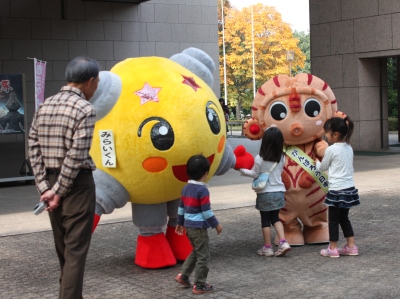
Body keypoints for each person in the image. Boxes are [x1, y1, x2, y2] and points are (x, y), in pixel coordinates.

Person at [28, 56, 100, 299]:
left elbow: (33, 147)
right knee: (75, 253)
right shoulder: (85, 109)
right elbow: (76, 155)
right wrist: (59, 191)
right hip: (76, 186)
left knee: (65, 252)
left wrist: (44, 186)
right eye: (97, 82)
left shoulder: (44, 105)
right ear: (90, 81)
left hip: (49, 182)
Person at [174, 154, 223, 295]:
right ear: (206, 173)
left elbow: (181, 208)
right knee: (204, 256)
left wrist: (179, 222)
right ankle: (200, 285)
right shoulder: (202, 190)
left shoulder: (186, 188)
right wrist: (216, 225)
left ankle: (183, 275)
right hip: (199, 228)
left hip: (188, 227)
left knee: (196, 251)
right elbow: (206, 211)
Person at [239, 127, 291, 257]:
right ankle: (283, 242)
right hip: (279, 191)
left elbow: (254, 173)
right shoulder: (281, 157)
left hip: (265, 193)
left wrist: (241, 170)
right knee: (276, 218)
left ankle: (267, 248)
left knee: (265, 220)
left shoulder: (260, 158)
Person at [316, 116, 360, 258]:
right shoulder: (349, 147)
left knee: (333, 219)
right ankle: (351, 246)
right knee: (344, 218)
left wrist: (316, 162)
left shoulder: (331, 149)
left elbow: (323, 166)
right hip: (349, 189)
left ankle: (333, 248)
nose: (326, 136)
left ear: (335, 134)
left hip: (336, 190)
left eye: (327, 133)